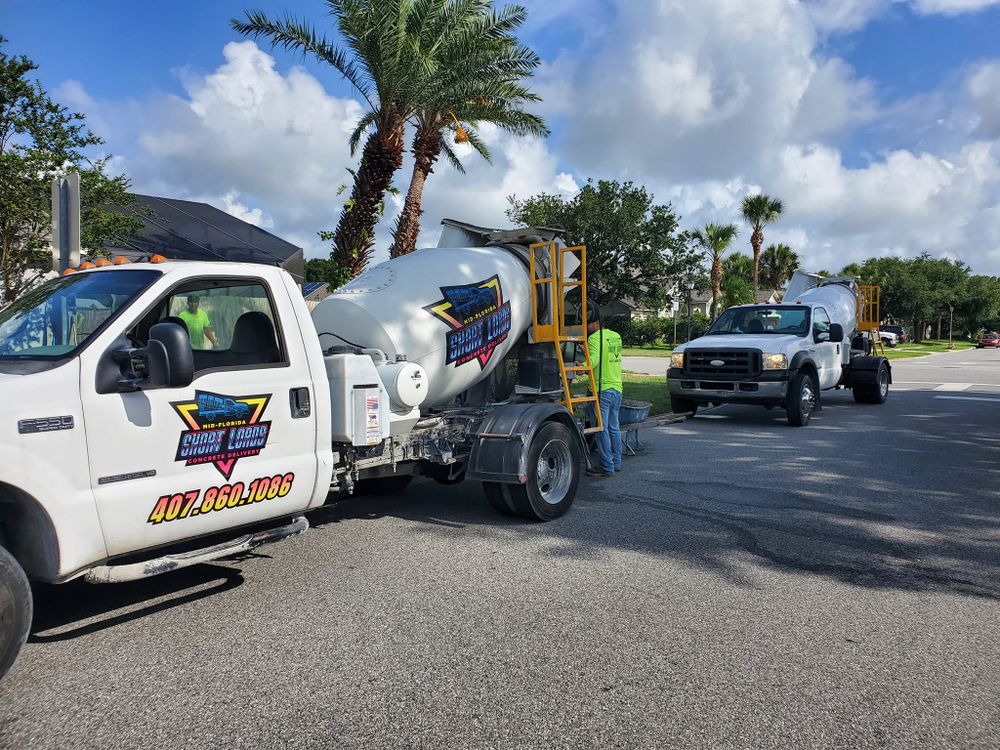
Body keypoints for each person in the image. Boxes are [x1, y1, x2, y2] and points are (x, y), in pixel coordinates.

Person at [585, 306, 623, 477]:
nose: (587, 327)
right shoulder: (616, 336)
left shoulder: (594, 338)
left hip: (603, 389)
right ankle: (616, 462)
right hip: (617, 388)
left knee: (601, 429)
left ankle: (606, 467)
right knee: (614, 427)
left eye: (589, 324)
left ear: (597, 323)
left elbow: (593, 361)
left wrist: (580, 367)